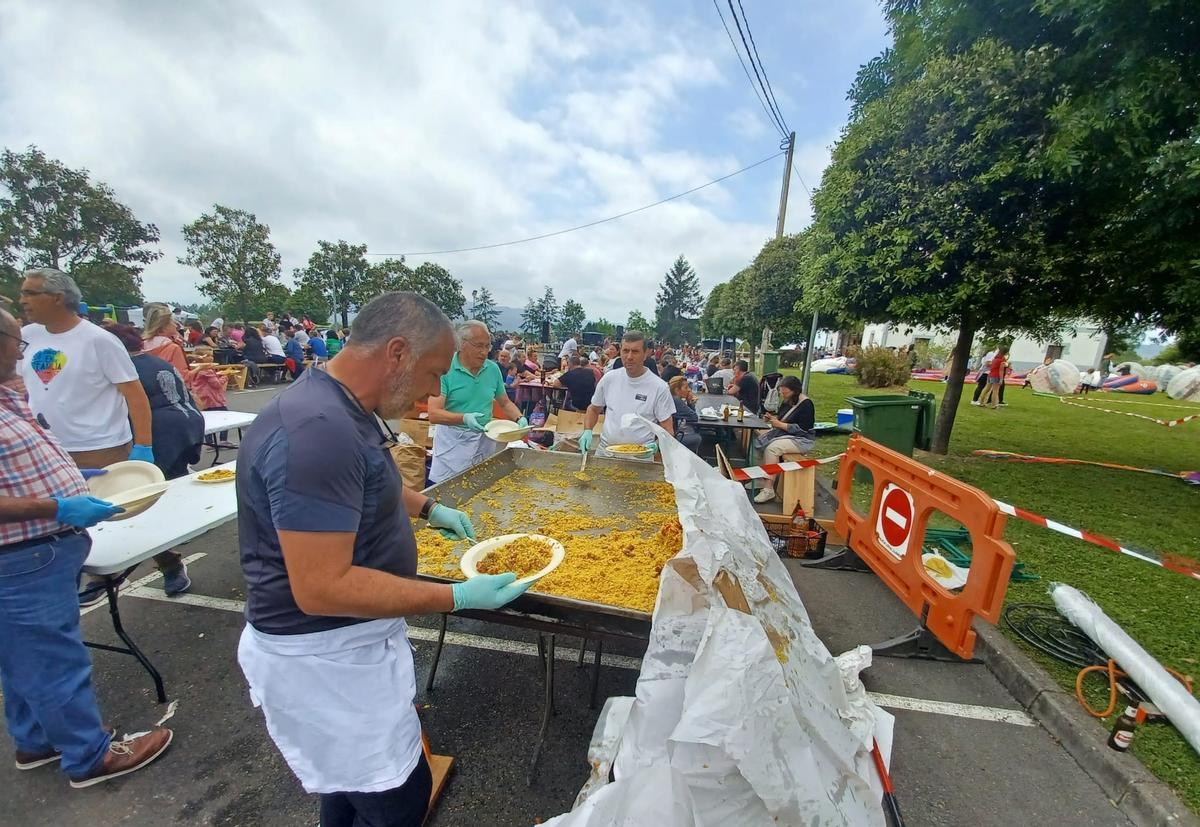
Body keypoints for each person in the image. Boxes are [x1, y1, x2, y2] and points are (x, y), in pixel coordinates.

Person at [236, 293, 529, 827]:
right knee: (395, 799)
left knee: (347, 789)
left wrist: (427, 506)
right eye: (433, 372)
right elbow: (321, 586)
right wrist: (456, 597)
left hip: (350, 645)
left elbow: (370, 482)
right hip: (324, 658)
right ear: (397, 353)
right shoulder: (316, 433)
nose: (434, 392)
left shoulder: (342, 404)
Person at [0, 307, 174, 787]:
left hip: (36, 550)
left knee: (24, 657)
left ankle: (36, 740)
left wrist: (73, 480)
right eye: (16, 340)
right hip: (22, 554)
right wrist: (55, 507)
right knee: (55, 660)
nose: (23, 350)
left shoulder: (7, 393)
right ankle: (89, 754)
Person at [16, 267, 154, 468]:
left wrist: (143, 446)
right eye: (22, 293)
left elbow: (135, 395)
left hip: (99, 449)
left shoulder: (100, 340)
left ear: (58, 298)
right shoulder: (26, 336)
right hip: (46, 447)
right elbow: (19, 386)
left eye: (30, 293)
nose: (22, 300)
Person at [107, 324, 205, 594]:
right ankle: (171, 557)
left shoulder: (124, 368)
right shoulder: (154, 361)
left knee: (144, 502)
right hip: (188, 424)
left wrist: (141, 444)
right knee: (160, 497)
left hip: (155, 433)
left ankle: (168, 562)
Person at [427, 321, 527, 483]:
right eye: (479, 346)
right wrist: (464, 418)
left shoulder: (492, 369)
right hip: (453, 442)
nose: (484, 352)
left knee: (480, 486)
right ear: (462, 344)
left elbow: (505, 403)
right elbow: (434, 414)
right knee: (449, 488)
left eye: (487, 346)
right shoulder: (445, 368)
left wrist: (519, 418)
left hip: (484, 439)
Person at [579, 331, 674, 454]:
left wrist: (656, 446)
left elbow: (668, 431)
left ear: (645, 354)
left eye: (635, 351)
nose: (629, 357)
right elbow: (593, 409)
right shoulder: (609, 378)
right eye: (625, 351)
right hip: (606, 453)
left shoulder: (659, 387)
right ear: (620, 353)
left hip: (638, 457)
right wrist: (587, 430)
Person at [750, 376, 815, 504]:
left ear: (794, 391)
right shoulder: (788, 400)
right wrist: (772, 418)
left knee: (772, 448)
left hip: (801, 439)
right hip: (784, 433)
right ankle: (759, 479)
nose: (782, 394)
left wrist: (780, 425)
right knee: (759, 441)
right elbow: (782, 417)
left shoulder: (806, 405)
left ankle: (769, 489)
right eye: (782, 391)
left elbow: (804, 429)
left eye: (785, 392)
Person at [668, 375, 701, 454]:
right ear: (677, 390)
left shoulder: (671, 398)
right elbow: (694, 417)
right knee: (697, 438)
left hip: (670, 434)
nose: (689, 390)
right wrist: (690, 402)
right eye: (686, 388)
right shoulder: (676, 400)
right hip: (671, 438)